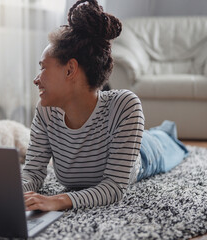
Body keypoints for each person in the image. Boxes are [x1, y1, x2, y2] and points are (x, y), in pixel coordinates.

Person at [22, 0, 188, 211]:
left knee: (167, 140)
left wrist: (59, 200)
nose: (36, 79)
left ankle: (167, 132)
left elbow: (114, 187)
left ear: (70, 69)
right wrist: (12, 193)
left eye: (43, 68)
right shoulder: (45, 111)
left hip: (147, 153)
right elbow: (32, 173)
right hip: (124, 138)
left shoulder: (125, 105)